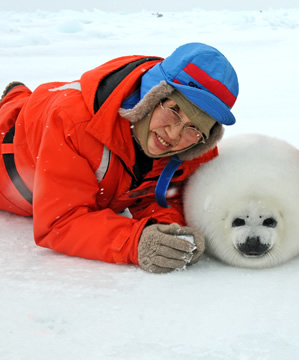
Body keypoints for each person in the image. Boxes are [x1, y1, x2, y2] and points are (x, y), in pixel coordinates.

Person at [0, 42, 239, 273]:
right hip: (11, 151)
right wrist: (134, 241)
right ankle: (14, 99)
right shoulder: (73, 122)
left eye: (193, 127)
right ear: (152, 95)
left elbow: (166, 196)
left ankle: (18, 97)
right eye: (174, 110)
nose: (175, 134)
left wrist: (167, 229)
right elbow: (60, 222)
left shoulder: (194, 146)